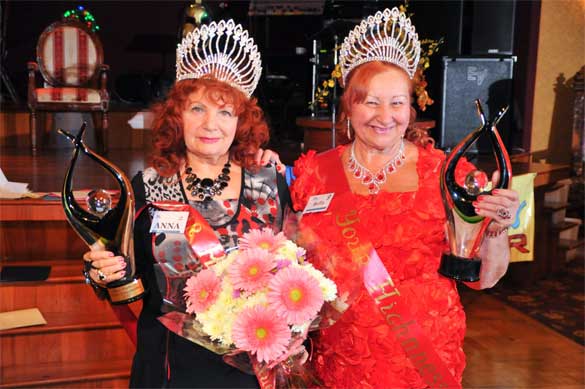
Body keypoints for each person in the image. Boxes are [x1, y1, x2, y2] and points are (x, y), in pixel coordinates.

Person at [289, 8, 520, 389]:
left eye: (397, 102)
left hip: (422, 359)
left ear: (411, 108)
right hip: (340, 359)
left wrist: (495, 229)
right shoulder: (313, 174)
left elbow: (486, 279)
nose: (384, 116)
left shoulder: (447, 175)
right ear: (349, 106)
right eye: (370, 102)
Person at [81, 20, 289, 388]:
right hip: (169, 367)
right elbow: (116, 273)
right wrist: (100, 273)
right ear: (177, 116)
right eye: (197, 109)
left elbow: (294, 276)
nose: (211, 124)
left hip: (252, 371)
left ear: (240, 121)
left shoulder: (269, 183)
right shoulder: (145, 188)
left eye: (225, 112)